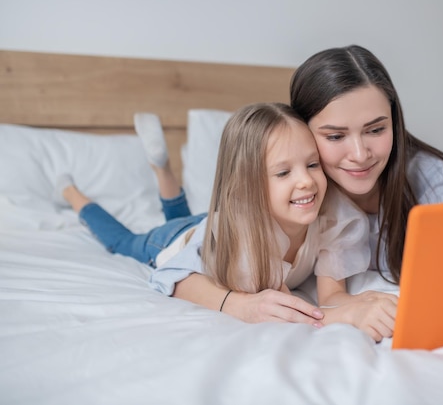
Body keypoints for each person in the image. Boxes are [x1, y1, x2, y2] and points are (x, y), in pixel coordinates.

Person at [172, 45, 443, 343]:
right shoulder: (298, 189)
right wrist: (242, 306)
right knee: (169, 228)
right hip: (188, 231)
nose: (360, 154)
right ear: (302, 130)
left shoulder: (433, 178)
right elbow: (176, 273)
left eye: (376, 130)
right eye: (335, 137)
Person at [55, 104, 397, 339]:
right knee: (123, 241)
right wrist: (238, 304)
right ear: (249, 184)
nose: (306, 181)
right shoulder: (248, 241)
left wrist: (360, 304)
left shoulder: (333, 217)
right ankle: (73, 194)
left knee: (187, 216)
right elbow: (173, 275)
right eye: (282, 172)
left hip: (211, 222)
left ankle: (163, 169)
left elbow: (330, 297)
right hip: (175, 241)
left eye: (312, 164)